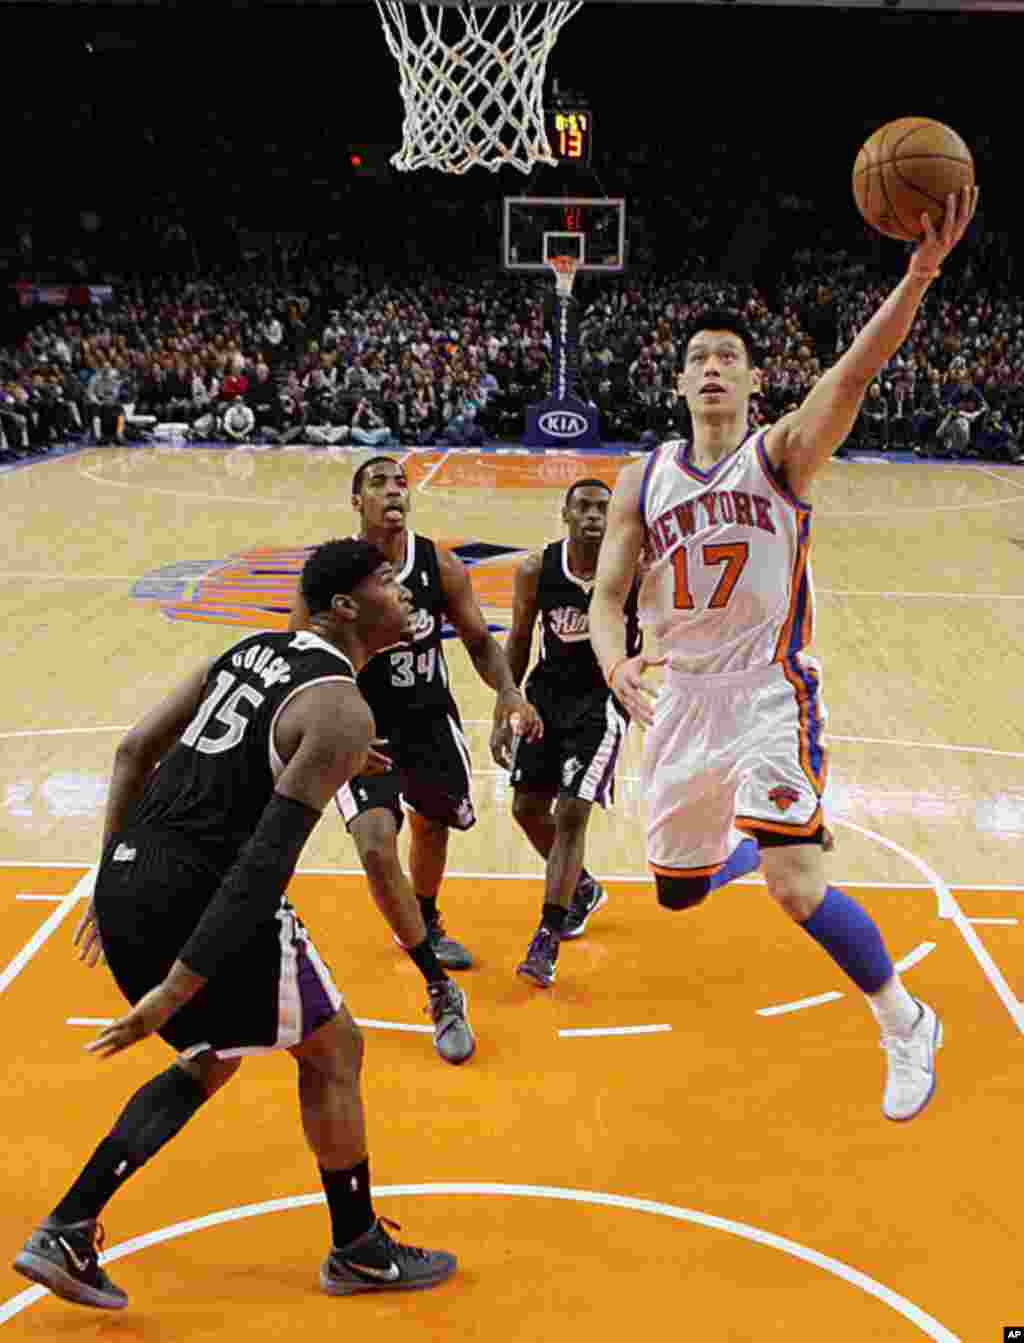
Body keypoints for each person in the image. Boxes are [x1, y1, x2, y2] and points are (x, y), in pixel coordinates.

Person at [589, 188, 976, 1123]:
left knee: (796, 887)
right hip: (680, 701)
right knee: (678, 894)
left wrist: (916, 279)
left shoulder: (783, 455)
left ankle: (903, 1017)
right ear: (678, 384)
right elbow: (606, 594)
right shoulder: (644, 476)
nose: (712, 367)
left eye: (728, 357)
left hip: (769, 693)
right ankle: (766, 833)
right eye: (697, 359)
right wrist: (614, 661)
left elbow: (852, 373)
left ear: (754, 381)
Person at [14, 539, 458, 1311]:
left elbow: (130, 751)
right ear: (347, 607)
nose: (404, 589)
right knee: (334, 1047)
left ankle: (68, 1225)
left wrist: (109, 877)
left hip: (128, 876)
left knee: (211, 1054)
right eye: (387, 580)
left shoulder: (249, 650)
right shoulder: (341, 708)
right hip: (205, 890)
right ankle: (358, 1249)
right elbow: (262, 865)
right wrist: (179, 982)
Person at [289, 456, 542, 1065]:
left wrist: (509, 692)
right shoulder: (335, 573)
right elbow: (299, 652)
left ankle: (426, 920)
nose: (393, 490)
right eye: (378, 483)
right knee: (376, 845)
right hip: (364, 729)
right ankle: (438, 986)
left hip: (430, 720)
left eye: (400, 482)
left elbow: (480, 641)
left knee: (432, 825)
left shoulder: (440, 565)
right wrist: (326, 722)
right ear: (358, 502)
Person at [499, 477, 761, 987]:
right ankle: (582, 890)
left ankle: (547, 939)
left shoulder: (639, 574)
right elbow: (517, 639)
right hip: (545, 697)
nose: (595, 515)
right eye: (584, 507)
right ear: (566, 515)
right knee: (526, 809)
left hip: (602, 700)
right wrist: (504, 706)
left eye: (603, 507)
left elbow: (684, 622)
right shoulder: (537, 569)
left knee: (572, 811)